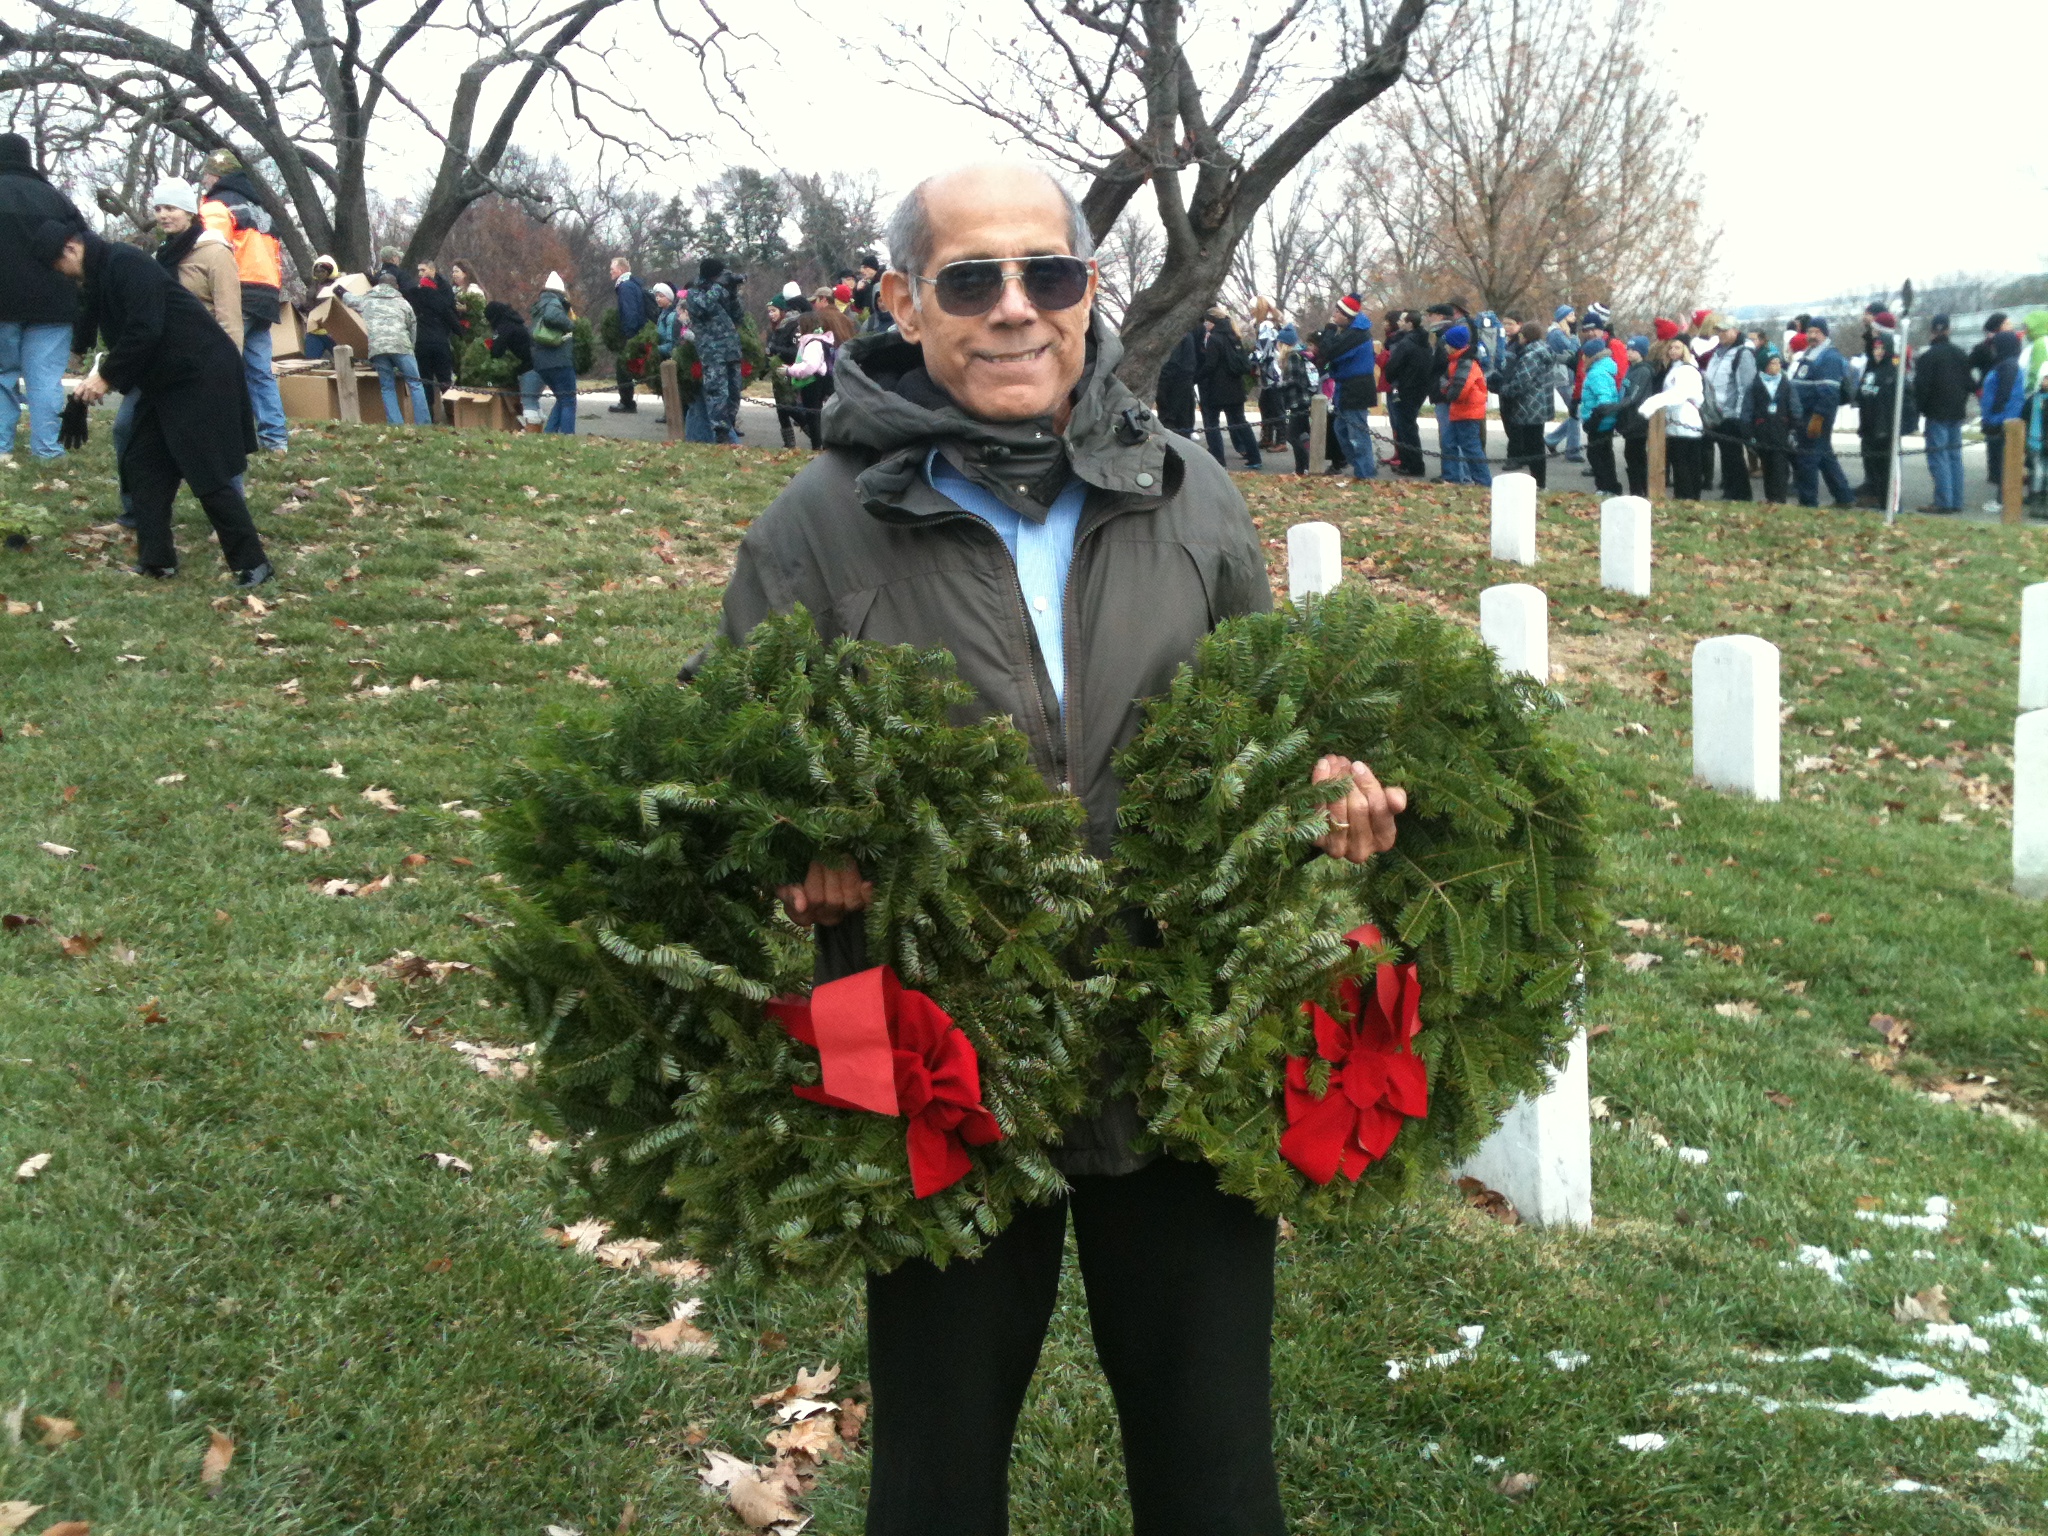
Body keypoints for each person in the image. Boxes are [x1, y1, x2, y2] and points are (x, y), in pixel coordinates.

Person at [714, 160, 1406, 1536]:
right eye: (973, 281)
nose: (1016, 310)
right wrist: (796, 840)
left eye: (1052, 274)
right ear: (907, 302)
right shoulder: (814, 528)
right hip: (941, 1060)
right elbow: (731, 768)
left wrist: (1324, 778)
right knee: (937, 1474)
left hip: (1174, 1047)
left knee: (1215, 1474)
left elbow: (1265, 717)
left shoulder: (1189, 490)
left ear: (1091, 290)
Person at [42, 222, 270, 586]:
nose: (61, 275)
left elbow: (146, 327)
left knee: (205, 466)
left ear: (71, 249)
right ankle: (157, 561)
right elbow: (94, 318)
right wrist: (87, 380)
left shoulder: (126, 262)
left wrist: (108, 376)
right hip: (165, 379)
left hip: (199, 370)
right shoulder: (101, 274)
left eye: (57, 265)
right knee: (143, 462)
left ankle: (253, 563)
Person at [115, 178, 244, 527]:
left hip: (203, 366)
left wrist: (228, 368)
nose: (163, 215)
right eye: (158, 208)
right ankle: (135, 512)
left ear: (188, 211)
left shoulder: (216, 252)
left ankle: (233, 520)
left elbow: (229, 315)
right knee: (126, 429)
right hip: (157, 364)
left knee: (214, 445)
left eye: (170, 208)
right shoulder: (159, 256)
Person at [0, 132, 89, 461]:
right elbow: (84, 246)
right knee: (47, 380)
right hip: (54, 306)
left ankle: (0, 449)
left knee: (1, 377)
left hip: (2, 305)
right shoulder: (56, 199)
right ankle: (47, 450)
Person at [197, 149, 288, 450]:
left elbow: (209, 252)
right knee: (260, 373)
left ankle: (215, 438)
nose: (204, 181)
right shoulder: (261, 210)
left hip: (235, 292)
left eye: (206, 176)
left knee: (217, 365)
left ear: (215, 177)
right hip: (266, 296)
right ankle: (275, 441)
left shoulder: (216, 206)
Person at [343, 268, 431, 427]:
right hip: (402, 346)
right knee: (415, 384)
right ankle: (423, 424)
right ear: (395, 286)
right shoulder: (403, 302)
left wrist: (339, 289)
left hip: (378, 348)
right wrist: (411, 346)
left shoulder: (367, 300)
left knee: (387, 387)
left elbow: (350, 300)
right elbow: (412, 326)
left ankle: (395, 424)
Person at [1788, 318, 1854, 508]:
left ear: (1825, 334)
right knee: (1824, 456)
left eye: (1817, 332)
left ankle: (1808, 501)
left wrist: (1818, 418)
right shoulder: (1810, 354)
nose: (1812, 335)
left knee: (1807, 459)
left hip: (1816, 415)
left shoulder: (1829, 357)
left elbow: (1829, 393)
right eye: (1810, 332)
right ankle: (1844, 496)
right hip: (1805, 413)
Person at [1912, 314, 1970, 514]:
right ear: (1948, 330)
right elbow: (1970, 383)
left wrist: (1917, 410)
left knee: (1939, 457)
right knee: (1954, 456)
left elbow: (1922, 387)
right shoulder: (1961, 354)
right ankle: (1956, 500)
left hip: (1936, 412)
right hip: (1957, 411)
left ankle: (1943, 501)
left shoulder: (1928, 356)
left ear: (1932, 332)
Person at [1317, 295, 1377, 480]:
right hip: (1345, 387)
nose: (1334, 315)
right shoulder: (1350, 332)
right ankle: (1359, 467)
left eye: (1337, 311)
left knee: (1357, 434)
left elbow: (1330, 352)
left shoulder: (1356, 334)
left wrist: (1328, 331)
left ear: (1347, 315)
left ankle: (1365, 473)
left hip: (1357, 387)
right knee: (1340, 430)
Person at [1638, 337, 1706, 500]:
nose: (1673, 351)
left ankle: (1687, 495)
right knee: (1681, 462)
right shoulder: (1673, 368)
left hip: (1686, 421)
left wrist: (1651, 404)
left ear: (1685, 350)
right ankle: (1685, 494)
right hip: (1676, 421)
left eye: (1677, 347)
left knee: (1686, 462)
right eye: (1671, 348)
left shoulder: (1686, 370)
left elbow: (1678, 395)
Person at [687, 256, 746, 444]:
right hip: (712, 352)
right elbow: (704, 307)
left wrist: (733, 292)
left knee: (734, 390)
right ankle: (720, 433)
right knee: (717, 391)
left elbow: (738, 315)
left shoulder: (721, 291)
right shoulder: (695, 293)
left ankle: (730, 424)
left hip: (730, 349)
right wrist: (719, 287)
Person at [1195, 308, 1262, 470]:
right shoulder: (1234, 336)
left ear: (1212, 322)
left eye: (1207, 322)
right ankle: (1254, 457)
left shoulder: (1214, 339)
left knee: (1212, 423)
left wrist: (1195, 378)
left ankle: (1218, 460)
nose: (1206, 325)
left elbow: (1210, 364)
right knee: (1240, 422)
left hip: (1216, 389)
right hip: (1235, 387)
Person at [1702, 318, 1757, 501]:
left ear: (1735, 330)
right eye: (1718, 331)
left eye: (1724, 330)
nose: (1720, 334)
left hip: (1732, 415)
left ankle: (1741, 494)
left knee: (1733, 456)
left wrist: (1740, 416)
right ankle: (1731, 490)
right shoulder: (1718, 353)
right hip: (1716, 413)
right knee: (1726, 456)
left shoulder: (1742, 354)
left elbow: (1746, 388)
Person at [1498, 321, 1554, 486]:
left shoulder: (1531, 355)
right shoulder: (1545, 350)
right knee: (1536, 443)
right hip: (1542, 403)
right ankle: (1539, 481)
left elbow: (1522, 381)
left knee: (1534, 446)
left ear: (1526, 336)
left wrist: (1504, 389)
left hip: (1530, 405)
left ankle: (1538, 482)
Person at [1854, 331, 1905, 509]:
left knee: (1887, 470)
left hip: (1886, 428)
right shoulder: (1870, 370)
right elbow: (1860, 394)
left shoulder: (1893, 372)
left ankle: (1891, 505)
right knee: (1874, 469)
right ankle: (1878, 499)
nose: (1878, 352)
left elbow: (1902, 402)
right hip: (1869, 427)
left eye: (1882, 348)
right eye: (1876, 348)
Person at [1437, 322, 1491, 486]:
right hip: (1459, 411)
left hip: (1468, 412)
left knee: (1471, 447)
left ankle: (1483, 481)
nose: (1445, 346)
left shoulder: (1465, 363)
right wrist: (1447, 386)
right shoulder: (1456, 361)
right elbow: (1444, 380)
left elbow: (1458, 391)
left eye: (1447, 343)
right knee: (1449, 443)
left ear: (1454, 345)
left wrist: (1447, 389)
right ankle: (1452, 477)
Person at [1980, 329, 2027, 512]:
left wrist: (1994, 412)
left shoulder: (2007, 365)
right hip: (2004, 417)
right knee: (2003, 462)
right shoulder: (2009, 363)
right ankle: (2003, 498)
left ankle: (2002, 500)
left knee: (2002, 463)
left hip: (2002, 419)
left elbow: (2003, 392)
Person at [1746, 346, 1800, 504]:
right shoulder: (1755, 386)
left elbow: (1794, 407)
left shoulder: (1786, 384)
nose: (1777, 366)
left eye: (1778, 363)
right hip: (1762, 431)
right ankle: (1770, 497)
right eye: (1772, 363)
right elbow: (1748, 409)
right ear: (1763, 365)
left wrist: (1795, 425)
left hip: (1781, 431)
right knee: (1767, 465)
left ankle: (1780, 498)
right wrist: (1748, 432)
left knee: (1780, 466)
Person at [527, 271, 579, 434]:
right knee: (569, 401)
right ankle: (567, 437)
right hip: (559, 361)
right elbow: (552, 316)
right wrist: (571, 326)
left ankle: (549, 435)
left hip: (542, 363)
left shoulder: (539, 306)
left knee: (562, 400)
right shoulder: (554, 302)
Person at [409, 258, 460, 415]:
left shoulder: (414, 297)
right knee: (445, 378)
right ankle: (451, 414)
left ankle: (429, 415)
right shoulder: (440, 298)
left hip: (421, 342)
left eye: (422, 270)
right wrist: (461, 332)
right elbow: (451, 317)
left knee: (425, 379)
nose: (419, 274)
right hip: (440, 342)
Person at [1384, 312, 1431, 476]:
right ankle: (1409, 462)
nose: (1399, 322)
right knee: (1408, 425)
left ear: (1410, 324)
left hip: (1403, 388)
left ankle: (1412, 464)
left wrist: (1391, 376)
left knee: (1405, 427)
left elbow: (1392, 366)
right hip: (1418, 388)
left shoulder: (1406, 343)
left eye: (1402, 320)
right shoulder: (1425, 342)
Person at [1616, 336, 1661, 498]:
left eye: (1633, 350)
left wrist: (1616, 407)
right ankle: (1636, 489)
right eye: (1628, 349)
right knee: (1631, 455)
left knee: (1636, 456)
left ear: (1641, 352)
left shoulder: (1642, 370)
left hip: (1637, 419)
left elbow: (1634, 396)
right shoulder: (1631, 368)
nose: (1629, 352)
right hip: (1628, 418)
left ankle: (1641, 490)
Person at [608, 256, 654, 413]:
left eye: (612, 269)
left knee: (623, 368)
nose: (610, 272)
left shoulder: (626, 287)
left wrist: (629, 335)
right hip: (639, 331)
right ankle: (627, 401)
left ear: (621, 270)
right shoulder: (632, 284)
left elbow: (630, 312)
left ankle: (626, 402)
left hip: (633, 333)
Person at [1579, 335, 1622, 495]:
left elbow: (1604, 399)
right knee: (1605, 454)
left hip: (1599, 421)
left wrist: (1594, 420)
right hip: (1606, 420)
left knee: (1596, 455)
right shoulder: (1604, 369)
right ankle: (1609, 486)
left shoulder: (1597, 373)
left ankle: (1605, 486)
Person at [1543, 307, 1583, 463]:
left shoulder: (1565, 333)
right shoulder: (1556, 334)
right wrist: (1573, 337)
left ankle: (1552, 439)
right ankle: (1572, 450)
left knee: (1576, 412)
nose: (1574, 318)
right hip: (1562, 377)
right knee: (1576, 412)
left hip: (1569, 376)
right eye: (1571, 315)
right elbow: (1574, 350)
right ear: (1562, 318)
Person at [1274, 325, 1316, 474]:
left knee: (1292, 436)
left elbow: (1293, 379)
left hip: (1298, 401)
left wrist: (1278, 386)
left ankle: (1305, 466)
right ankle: (1302, 468)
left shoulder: (1292, 356)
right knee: (1303, 435)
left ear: (1284, 344)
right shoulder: (1299, 355)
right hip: (1303, 400)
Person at [763, 293, 802, 448]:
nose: (771, 314)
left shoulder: (792, 326)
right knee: (781, 410)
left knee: (791, 407)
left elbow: (795, 352)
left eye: (774, 310)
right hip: (777, 374)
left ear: (782, 310)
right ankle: (789, 443)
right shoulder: (774, 330)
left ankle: (814, 436)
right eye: (769, 311)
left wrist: (775, 349)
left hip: (790, 372)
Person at [1155, 327, 1199, 438]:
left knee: (1171, 418)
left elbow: (1172, 363)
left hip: (1174, 382)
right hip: (1185, 380)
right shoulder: (1187, 334)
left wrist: (1162, 379)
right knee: (1184, 419)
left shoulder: (1176, 336)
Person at [301, 254, 341, 361]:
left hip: (333, 331)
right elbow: (309, 304)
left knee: (346, 361)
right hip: (314, 331)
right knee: (309, 363)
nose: (319, 274)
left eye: (322, 271)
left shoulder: (338, 286)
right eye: (317, 271)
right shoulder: (313, 286)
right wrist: (299, 307)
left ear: (329, 272)